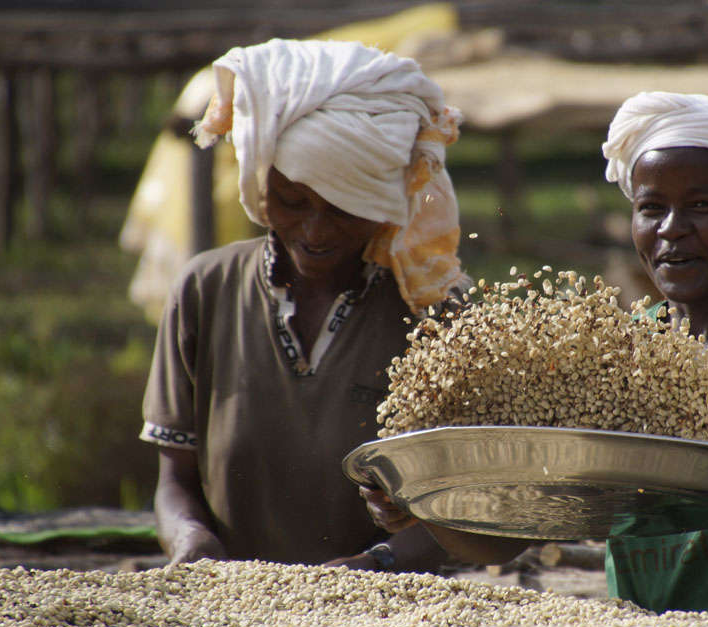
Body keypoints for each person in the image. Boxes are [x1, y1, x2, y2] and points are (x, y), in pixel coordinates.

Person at [361, 91, 708, 618]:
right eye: (652, 208)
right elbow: (510, 539)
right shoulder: (611, 351)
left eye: (702, 205)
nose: (672, 230)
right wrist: (423, 503)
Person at [139, 37, 468, 572]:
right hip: (229, 606)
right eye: (292, 203)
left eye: (343, 210)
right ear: (261, 183)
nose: (315, 231)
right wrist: (192, 544)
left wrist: (375, 566)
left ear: (384, 202)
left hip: (394, 613)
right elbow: (174, 481)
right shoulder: (205, 289)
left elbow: (468, 510)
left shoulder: (433, 313)